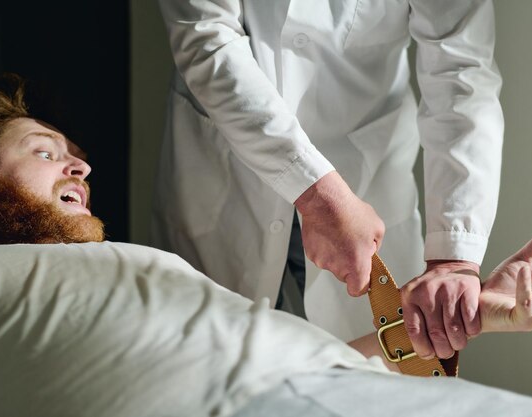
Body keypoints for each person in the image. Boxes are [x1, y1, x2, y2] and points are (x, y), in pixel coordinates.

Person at [0, 73, 532, 416]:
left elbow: (306, 355)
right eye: (44, 152)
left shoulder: (133, 269)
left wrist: (461, 317)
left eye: (74, 157)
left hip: (331, 383)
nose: (80, 169)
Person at [152, 0, 505, 359]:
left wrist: (454, 257)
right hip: (229, 173)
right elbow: (207, 38)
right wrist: (316, 192)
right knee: (205, 373)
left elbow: (462, 74)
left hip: (366, 176)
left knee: (371, 387)